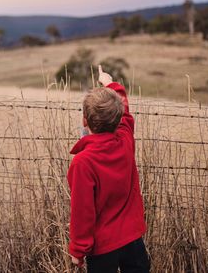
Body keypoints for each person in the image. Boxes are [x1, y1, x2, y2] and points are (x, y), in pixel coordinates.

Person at [67, 65, 149, 272]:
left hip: (102, 248)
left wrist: (78, 250)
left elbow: (82, 212)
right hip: (133, 239)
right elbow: (125, 112)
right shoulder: (125, 139)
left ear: (85, 121)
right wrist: (110, 83)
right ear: (119, 118)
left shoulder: (83, 162)